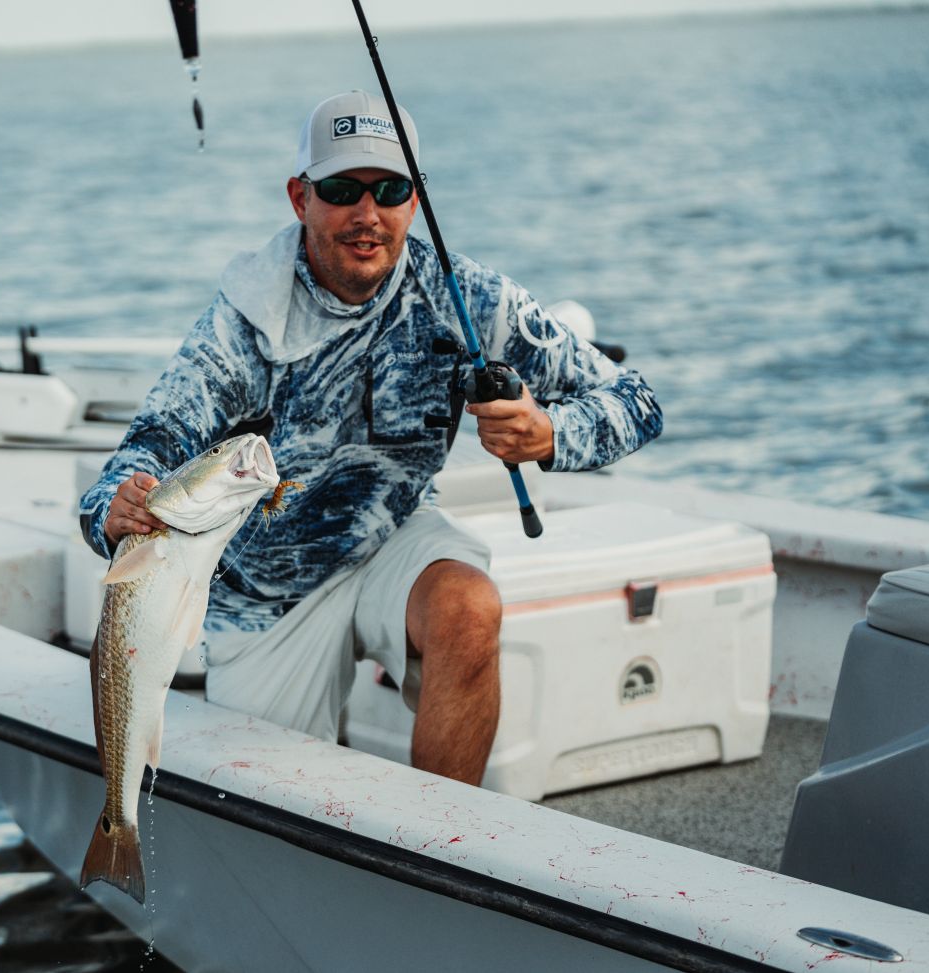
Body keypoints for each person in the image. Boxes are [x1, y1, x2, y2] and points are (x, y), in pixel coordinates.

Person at [78, 90, 662, 786]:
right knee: (274, 802)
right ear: (300, 197)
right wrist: (116, 504)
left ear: (415, 200)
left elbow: (637, 399)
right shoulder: (244, 322)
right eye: (341, 190)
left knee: (469, 606)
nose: (368, 214)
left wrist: (548, 433)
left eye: (390, 189)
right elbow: (143, 451)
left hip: (391, 538)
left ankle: (445, 847)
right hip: (266, 596)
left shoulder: (466, 298)